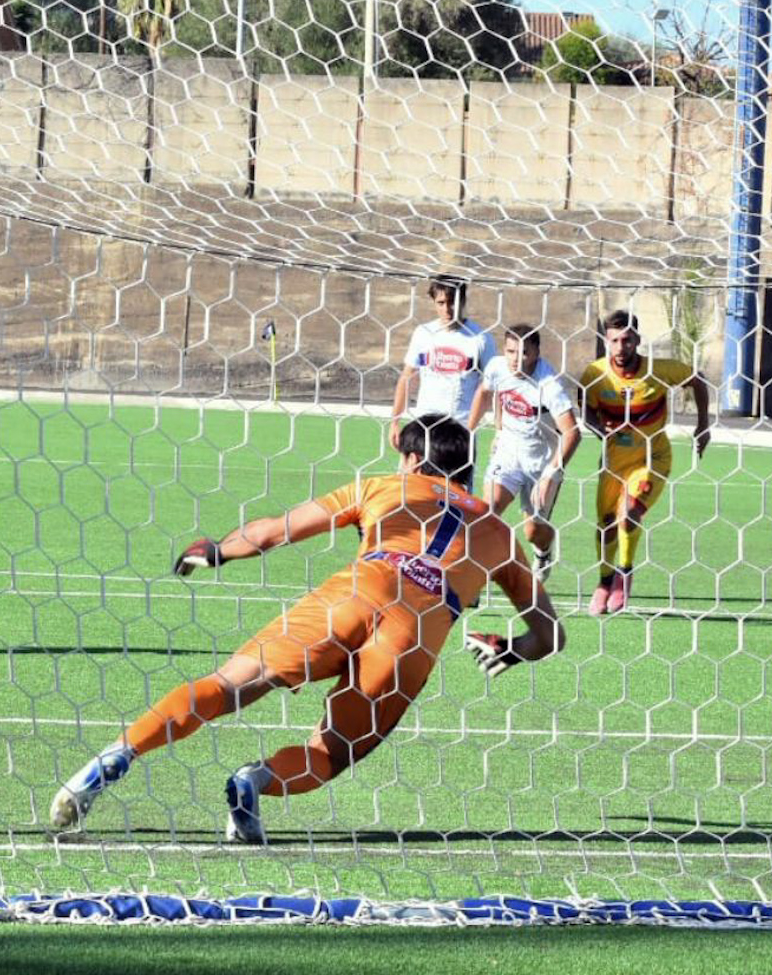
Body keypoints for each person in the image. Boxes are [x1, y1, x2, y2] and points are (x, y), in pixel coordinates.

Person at [48, 416, 564, 844]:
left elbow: (276, 531)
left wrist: (217, 550)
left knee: (231, 685)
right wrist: (511, 649)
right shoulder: (498, 532)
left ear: (411, 460)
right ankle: (256, 781)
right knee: (331, 752)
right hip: (417, 633)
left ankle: (116, 756)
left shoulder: (383, 486)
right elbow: (550, 636)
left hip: (357, 592)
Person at [577, 310, 711, 615]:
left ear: (637, 339)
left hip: (653, 458)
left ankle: (624, 573)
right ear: (606, 342)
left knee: (630, 513)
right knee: (606, 526)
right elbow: (585, 408)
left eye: (627, 340)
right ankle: (604, 580)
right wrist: (598, 428)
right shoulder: (594, 375)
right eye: (614, 341)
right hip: (613, 462)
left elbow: (698, 380)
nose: (621, 347)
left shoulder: (659, 370)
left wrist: (703, 424)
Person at [466, 323, 581, 578]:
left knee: (533, 531)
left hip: (542, 462)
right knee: (488, 512)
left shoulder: (549, 384)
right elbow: (486, 393)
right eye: (511, 351)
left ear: (536, 353)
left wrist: (551, 473)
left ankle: (543, 552)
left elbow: (572, 432)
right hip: (508, 453)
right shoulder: (497, 366)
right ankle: (473, 575)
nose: (516, 360)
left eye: (524, 353)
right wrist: (473, 432)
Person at [389, 276, 496, 448]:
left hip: (459, 429)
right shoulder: (423, 333)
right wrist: (395, 421)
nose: (447, 309)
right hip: (424, 427)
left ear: (463, 300)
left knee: (455, 476)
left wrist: (471, 428)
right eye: (441, 303)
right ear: (433, 302)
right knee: (415, 474)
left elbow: (491, 389)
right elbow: (407, 377)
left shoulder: (481, 339)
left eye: (452, 302)